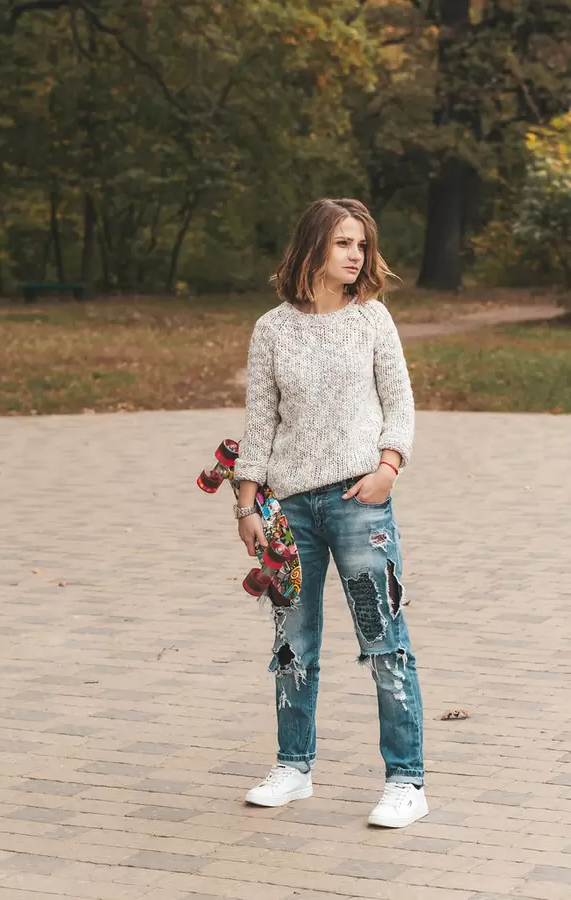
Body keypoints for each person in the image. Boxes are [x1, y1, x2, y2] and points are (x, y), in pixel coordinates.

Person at [232, 198, 427, 829]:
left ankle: (405, 779)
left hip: (357, 503)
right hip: (288, 512)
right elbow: (260, 422)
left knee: (384, 641)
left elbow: (399, 403)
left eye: (362, 245)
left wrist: (388, 469)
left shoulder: (372, 320)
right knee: (293, 645)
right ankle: (293, 768)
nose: (356, 255)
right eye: (344, 242)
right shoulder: (272, 329)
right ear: (313, 246)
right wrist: (247, 500)